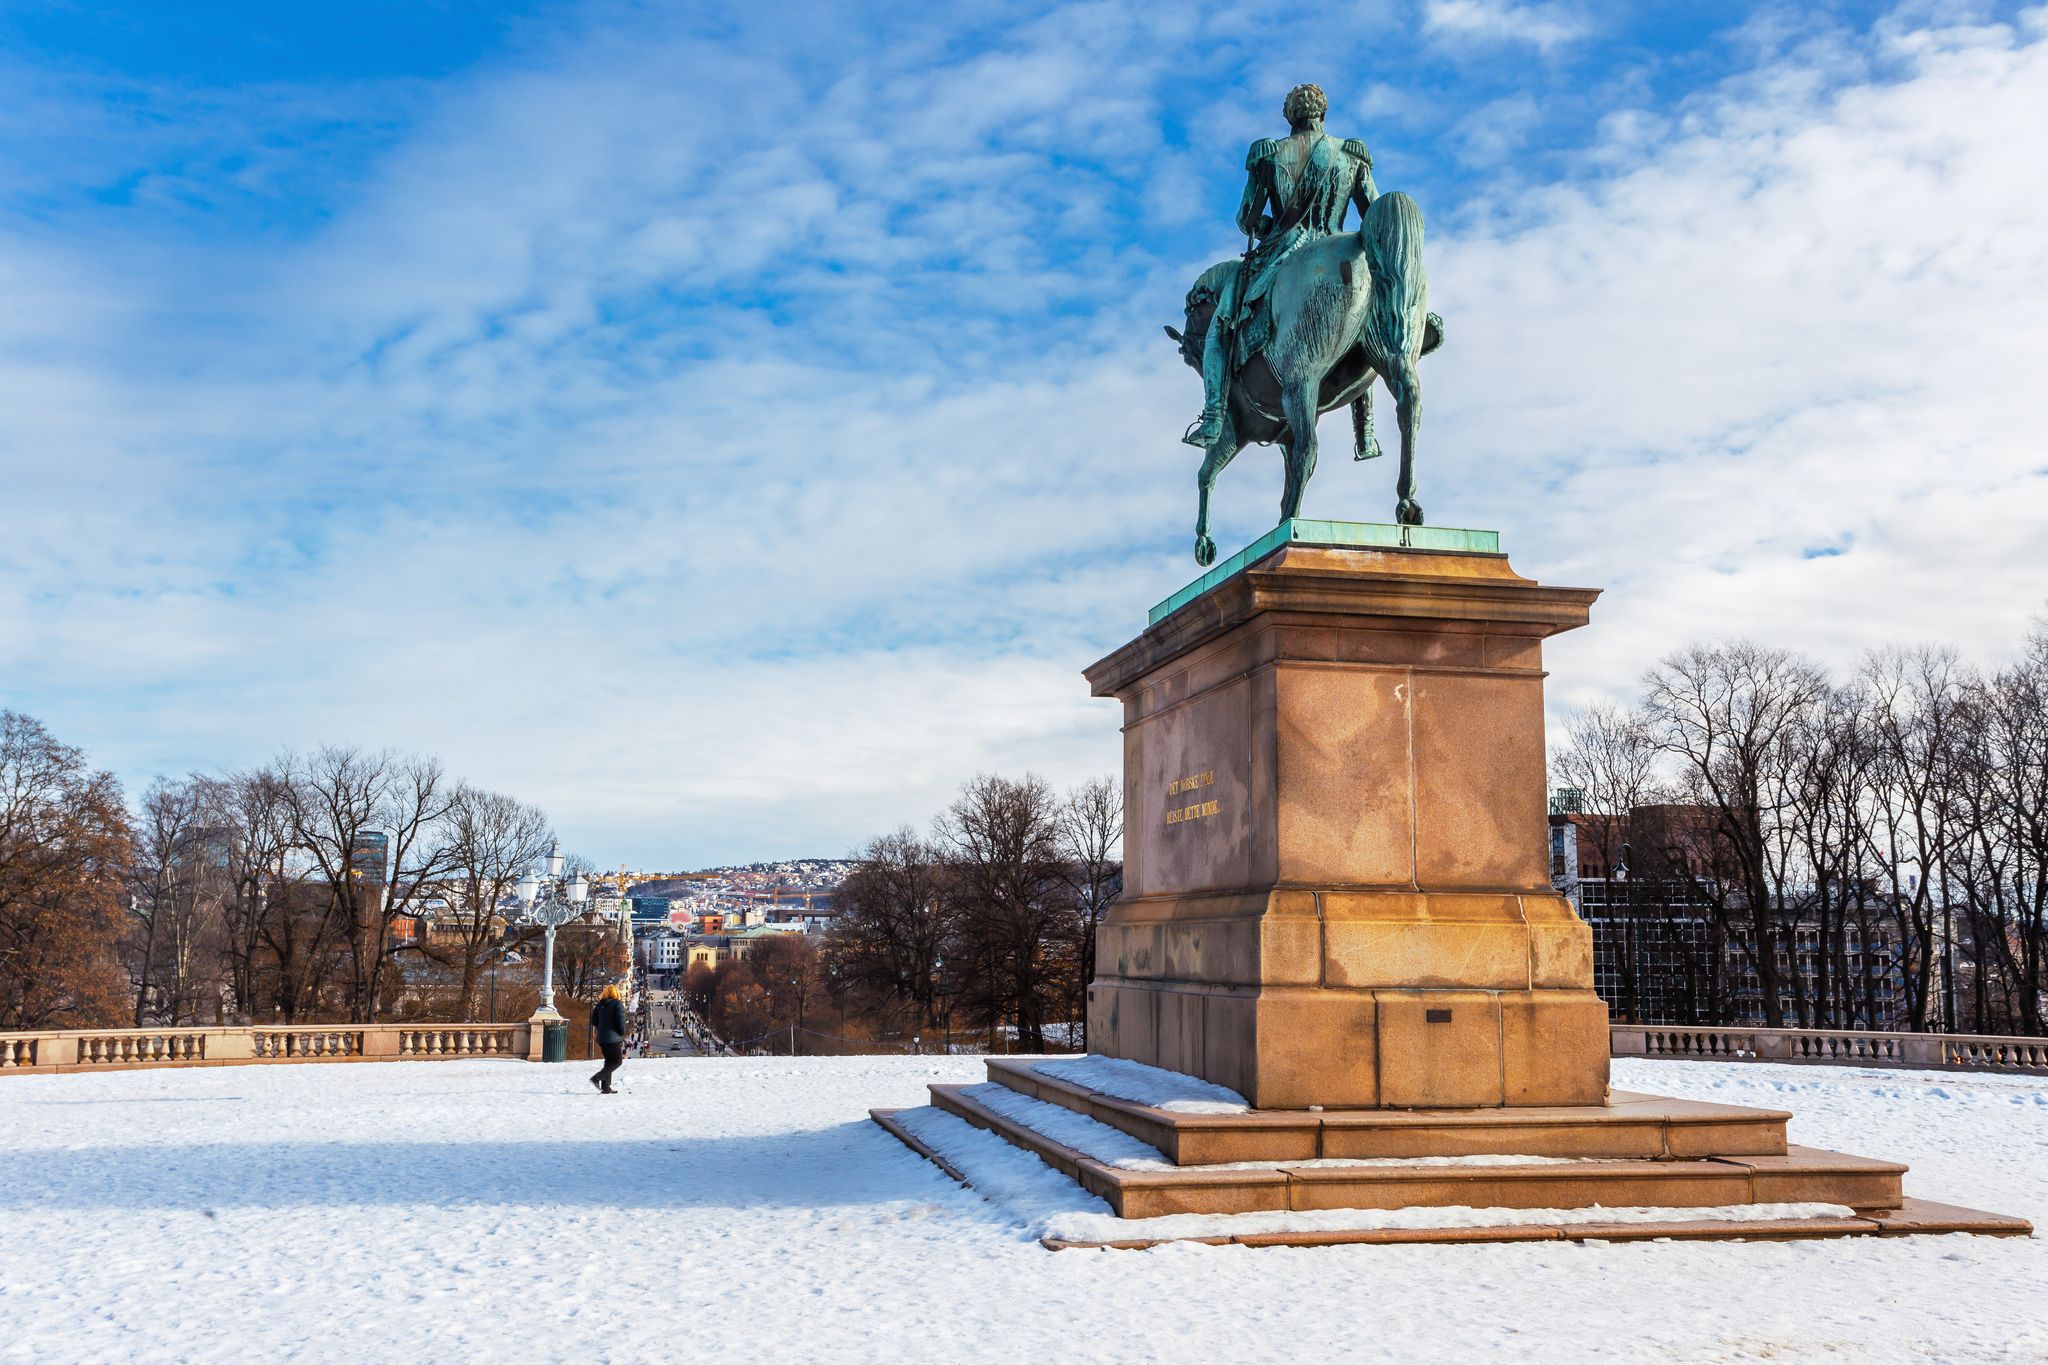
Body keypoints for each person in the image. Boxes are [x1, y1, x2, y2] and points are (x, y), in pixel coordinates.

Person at [1184, 83, 1377, 448]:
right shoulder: (1351, 155)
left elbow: (1246, 218)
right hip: (1341, 245)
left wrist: (1269, 225)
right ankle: (1365, 431)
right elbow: (1374, 216)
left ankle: (1212, 416)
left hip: (1284, 251)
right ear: (1322, 113)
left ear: (1289, 115)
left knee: (1220, 327)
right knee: (1364, 304)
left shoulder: (1269, 154)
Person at [589, 983, 628, 1094]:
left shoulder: (600, 1005)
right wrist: (622, 1033)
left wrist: (599, 1030)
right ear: (616, 993)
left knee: (609, 1062)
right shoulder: (617, 1004)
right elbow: (620, 1022)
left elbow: (594, 1021)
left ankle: (606, 1087)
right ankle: (596, 1078)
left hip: (602, 1038)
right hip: (613, 1038)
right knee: (617, 1061)